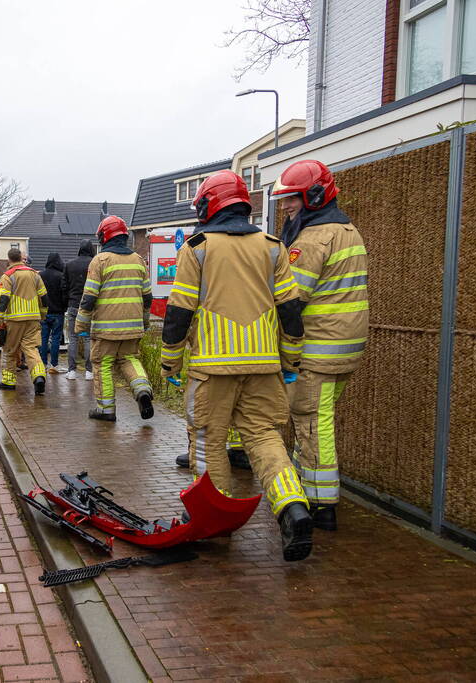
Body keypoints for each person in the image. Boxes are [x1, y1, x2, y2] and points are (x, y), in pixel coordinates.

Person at [160, 169, 313, 561]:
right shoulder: (274, 247)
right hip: (264, 368)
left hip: (212, 371)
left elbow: (179, 313)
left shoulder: (197, 248)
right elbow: (291, 311)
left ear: (210, 205)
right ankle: (292, 506)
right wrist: (290, 359)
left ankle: (214, 521)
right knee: (265, 439)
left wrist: (170, 363)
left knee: (210, 441)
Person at [272, 159, 369, 532]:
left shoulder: (313, 238)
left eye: (291, 199)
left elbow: (291, 298)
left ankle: (321, 505)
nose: (285, 207)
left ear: (313, 196)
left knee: (312, 425)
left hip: (317, 350)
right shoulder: (349, 231)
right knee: (316, 419)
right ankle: (309, 489)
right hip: (345, 346)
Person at [74, 216, 153, 421]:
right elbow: (147, 297)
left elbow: (89, 297)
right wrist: (144, 322)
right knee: (129, 359)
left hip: (106, 329)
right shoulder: (138, 260)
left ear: (104, 236)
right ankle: (143, 390)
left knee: (103, 364)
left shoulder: (100, 260)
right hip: (133, 327)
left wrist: (80, 324)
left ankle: (106, 409)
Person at [0, 248, 49, 394]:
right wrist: (42, 314)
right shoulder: (34, 274)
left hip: (14, 320)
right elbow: (44, 297)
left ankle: (9, 381)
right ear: (21, 258)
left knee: (9, 351)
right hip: (33, 319)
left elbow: (3, 299)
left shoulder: (7, 276)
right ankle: (39, 376)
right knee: (32, 350)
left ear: (9, 260)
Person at [62, 239, 94, 380]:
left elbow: (64, 286)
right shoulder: (95, 264)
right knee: (88, 338)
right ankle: (89, 371)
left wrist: (69, 300)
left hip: (73, 305)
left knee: (73, 338)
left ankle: (72, 371)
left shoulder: (69, 265)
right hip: (90, 306)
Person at [38, 252, 66, 374]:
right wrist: (64, 307)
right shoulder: (61, 276)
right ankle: (54, 365)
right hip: (58, 312)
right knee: (55, 338)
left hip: (43, 312)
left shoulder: (41, 276)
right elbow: (64, 294)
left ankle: (43, 363)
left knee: (43, 338)